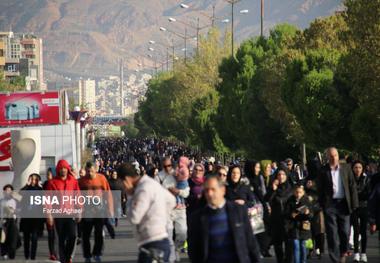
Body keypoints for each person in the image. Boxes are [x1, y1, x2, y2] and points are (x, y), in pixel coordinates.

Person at [188, 175, 261, 263]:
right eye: (206, 190)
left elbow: (251, 242)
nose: (210, 193)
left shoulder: (238, 211)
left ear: (223, 190)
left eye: (213, 189)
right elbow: (194, 250)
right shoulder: (197, 218)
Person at [117, 162, 176, 263]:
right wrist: (160, 215)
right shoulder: (151, 182)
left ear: (126, 179)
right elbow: (171, 200)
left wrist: (130, 197)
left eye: (122, 183)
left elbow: (134, 217)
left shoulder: (143, 189)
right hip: (158, 240)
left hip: (153, 243)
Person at [317, 147, 359, 263]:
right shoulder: (323, 170)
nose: (333, 158)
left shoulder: (346, 168)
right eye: (331, 156)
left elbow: (352, 186)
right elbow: (319, 189)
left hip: (344, 204)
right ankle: (335, 259)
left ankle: (343, 252)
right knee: (332, 233)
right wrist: (321, 205)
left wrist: (354, 204)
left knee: (345, 232)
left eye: (335, 155)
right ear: (327, 157)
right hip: (330, 205)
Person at [45, 159, 81, 263]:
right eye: (61, 168)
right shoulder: (52, 183)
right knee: (60, 239)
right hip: (58, 215)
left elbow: (77, 196)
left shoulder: (73, 181)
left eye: (65, 168)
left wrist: (79, 210)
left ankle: (68, 255)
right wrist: (49, 215)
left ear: (67, 169)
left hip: (70, 214)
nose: (63, 170)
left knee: (73, 236)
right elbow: (47, 200)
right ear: (58, 170)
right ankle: (64, 260)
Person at [78, 161, 114, 263]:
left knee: (99, 234)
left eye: (92, 171)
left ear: (95, 170)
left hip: (99, 210)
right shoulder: (81, 181)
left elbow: (108, 194)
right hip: (87, 211)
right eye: (88, 171)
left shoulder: (101, 178)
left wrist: (110, 209)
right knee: (86, 235)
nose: (90, 173)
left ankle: (97, 253)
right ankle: (87, 256)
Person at [155, 157, 189, 262]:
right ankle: (171, 257)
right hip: (166, 210)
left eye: (169, 165)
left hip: (180, 209)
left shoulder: (179, 173)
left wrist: (177, 192)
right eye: (164, 166)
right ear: (161, 166)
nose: (167, 168)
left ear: (172, 165)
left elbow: (186, 192)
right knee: (168, 234)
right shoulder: (158, 177)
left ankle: (177, 249)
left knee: (183, 232)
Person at [266, 169, 293, 263]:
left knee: (289, 244)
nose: (281, 176)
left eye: (283, 174)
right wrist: (273, 189)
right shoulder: (273, 187)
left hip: (288, 220)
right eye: (279, 174)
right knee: (277, 244)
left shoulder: (291, 188)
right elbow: (267, 199)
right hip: (276, 219)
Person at [285, 185, 313, 263]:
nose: (298, 194)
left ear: (303, 193)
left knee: (303, 246)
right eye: (297, 192)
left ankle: (303, 261)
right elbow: (286, 213)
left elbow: (311, 215)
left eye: (300, 192)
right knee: (295, 246)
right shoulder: (290, 201)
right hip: (294, 227)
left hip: (304, 227)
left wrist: (308, 213)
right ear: (294, 192)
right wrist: (291, 214)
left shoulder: (307, 201)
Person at [20, 174, 44, 260]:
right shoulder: (26, 189)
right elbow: (18, 195)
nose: (33, 181)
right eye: (32, 179)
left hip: (36, 218)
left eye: (35, 179)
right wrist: (27, 184)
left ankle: (33, 256)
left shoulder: (40, 189)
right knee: (26, 238)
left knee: (34, 238)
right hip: (26, 217)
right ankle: (27, 255)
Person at [351, 161, 370, 263]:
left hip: (364, 207)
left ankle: (363, 253)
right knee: (356, 231)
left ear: (362, 169)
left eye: (359, 167)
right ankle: (356, 253)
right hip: (354, 208)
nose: (357, 169)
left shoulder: (366, 179)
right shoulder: (350, 179)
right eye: (355, 167)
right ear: (353, 169)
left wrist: (357, 195)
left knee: (363, 231)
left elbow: (367, 193)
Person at [0, 184, 20, 260]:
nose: (8, 192)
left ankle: (12, 254)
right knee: (3, 238)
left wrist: (13, 211)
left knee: (13, 238)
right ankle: (4, 253)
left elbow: (19, 209)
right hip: (4, 221)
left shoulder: (15, 201)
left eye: (9, 190)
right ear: (4, 192)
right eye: (6, 190)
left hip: (12, 221)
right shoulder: (1, 201)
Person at [43, 168, 58, 260]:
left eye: (49, 174)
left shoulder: (57, 183)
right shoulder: (45, 184)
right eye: (47, 174)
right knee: (51, 233)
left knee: (58, 234)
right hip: (49, 211)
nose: (47, 176)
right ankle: (52, 252)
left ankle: (58, 251)